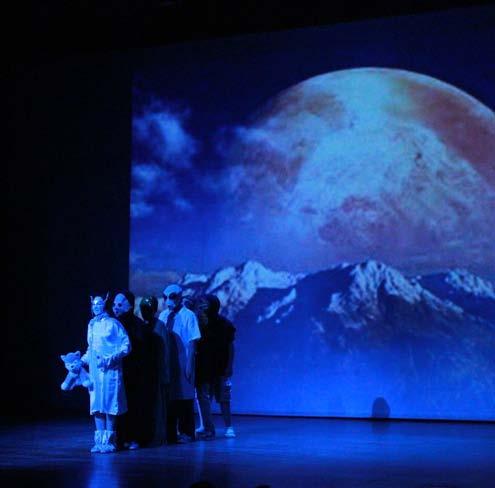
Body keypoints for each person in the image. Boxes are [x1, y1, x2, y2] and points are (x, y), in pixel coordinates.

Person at [81, 294, 131, 453]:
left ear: (104, 305)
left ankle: (110, 442)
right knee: (97, 404)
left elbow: (126, 345)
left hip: (110, 371)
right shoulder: (91, 325)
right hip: (95, 372)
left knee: (110, 404)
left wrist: (110, 359)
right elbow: (91, 349)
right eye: (93, 304)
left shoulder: (113, 324)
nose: (96, 307)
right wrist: (80, 361)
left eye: (99, 304)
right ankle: (99, 442)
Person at [158, 284, 201, 443]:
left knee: (184, 397)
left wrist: (190, 365)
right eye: (165, 297)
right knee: (170, 398)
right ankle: (170, 432)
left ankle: (186, 432)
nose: (168, 301)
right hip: (168, 361)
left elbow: (192, 342)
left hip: (183, 360)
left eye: (172, 297)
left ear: (180, 297)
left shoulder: (188, 315)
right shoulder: (163, 316)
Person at [113, 290, 155, 449]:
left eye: (120, 304)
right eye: (114, 304)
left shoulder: (138, 326)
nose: (115, 307)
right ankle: (119, 437)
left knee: (133, 405)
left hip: (134, 374)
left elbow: (142, 352)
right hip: (117, 373)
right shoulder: (111, 323)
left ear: (130, 306)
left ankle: (134, 437)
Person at [195, 294, 236, 439]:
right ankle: (207, 427)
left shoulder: (225, 325)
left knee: (224, 398)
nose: (202, 306)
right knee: (202, 397)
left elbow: (230, 347)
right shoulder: (199, 323)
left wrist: (229, 366)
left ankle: (229, 426)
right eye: (201, 304)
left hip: (220, 367)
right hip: (203, 367)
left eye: (205, 304)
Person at [139, 295, 173, 445]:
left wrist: (165, 374)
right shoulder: (140, 325)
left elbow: (165, 352)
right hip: (143, 372)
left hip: (156, 372)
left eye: (148, 309)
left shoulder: (160, 326)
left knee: (158, 406)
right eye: (143, 309)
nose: (145, 311)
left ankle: (158, 436)